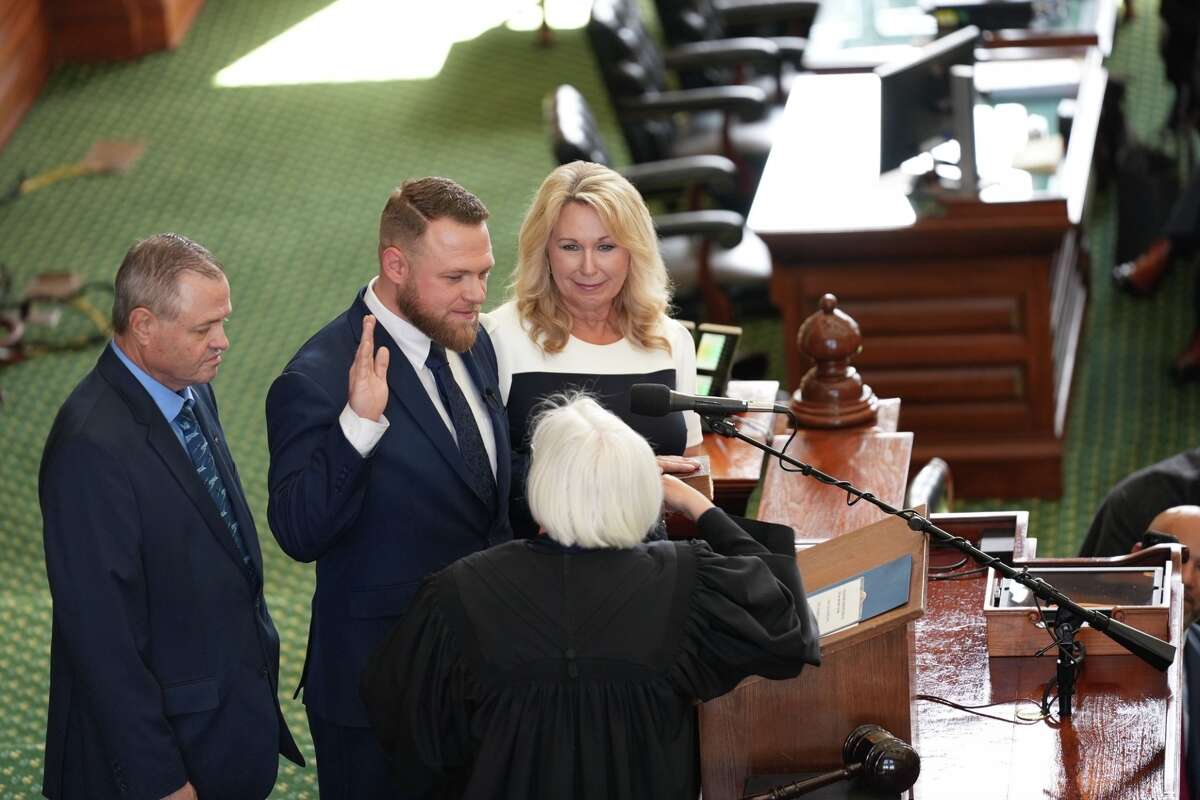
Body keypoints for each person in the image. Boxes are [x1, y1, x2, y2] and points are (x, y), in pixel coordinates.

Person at [361, 394, 820, 799]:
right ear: (640, 490)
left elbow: (410, 733)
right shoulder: (686, 581)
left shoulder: (457, 591)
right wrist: (699, 507)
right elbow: (788, 630)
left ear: (539, 483)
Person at [266, 177, 512, 798]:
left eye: (482, 274)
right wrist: (357, 426)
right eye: (455, 277)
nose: (476, 295)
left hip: (486, 675)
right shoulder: (315, 378)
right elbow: (298, 530)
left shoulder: (469, 337)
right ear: (395, 264)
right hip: (381, 698)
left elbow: (480, 480)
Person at [39, 234, 303, 800]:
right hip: (156, 769)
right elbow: (101, 641)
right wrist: (161, 779)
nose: (222, 342)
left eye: (223, 322)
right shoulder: (89, 449)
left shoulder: (185, 389)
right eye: (203, 329)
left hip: (220, 731)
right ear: (143, 325)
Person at [482, 161, 703, 537]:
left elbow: (691, 468)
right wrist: (628, 476)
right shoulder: (499, 336)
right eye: (570, 246)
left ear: (633, 251)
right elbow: (485, 477)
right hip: (541, 562)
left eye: (606, 246)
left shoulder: (670, 339)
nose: (588, 267)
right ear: (544, 251)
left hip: (652, 560)